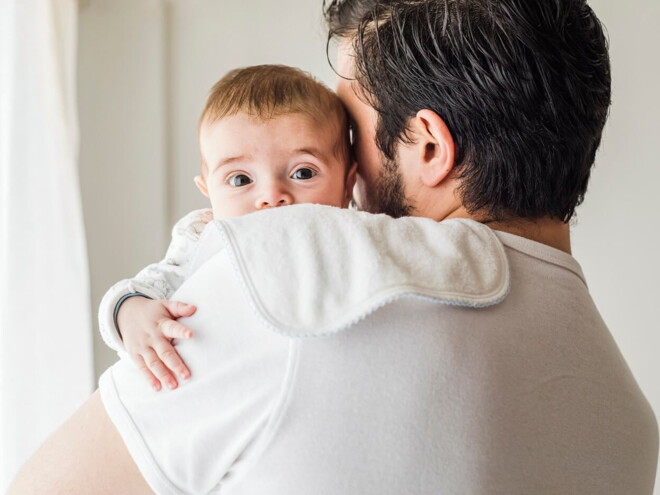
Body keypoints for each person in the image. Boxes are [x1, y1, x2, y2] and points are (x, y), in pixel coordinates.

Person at [8, 0, 659, 493]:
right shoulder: (630, 423)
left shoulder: (304, 267)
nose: (347, 160)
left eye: (351, 126)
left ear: (428, 147)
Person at [95, 64, 355, 393]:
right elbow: (149, 285)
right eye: (240, 179)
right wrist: (132, 313)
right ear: (208, 191)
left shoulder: (353, 235)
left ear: (349, 184)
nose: (272, 196)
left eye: (303, 173)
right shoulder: (205, 238)